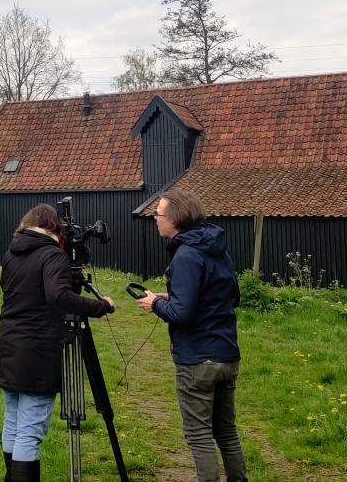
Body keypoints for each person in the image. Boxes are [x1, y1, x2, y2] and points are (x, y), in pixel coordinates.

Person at [0, 204, 114, 482]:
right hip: (37, 349)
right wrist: (100, 306)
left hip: (9, 346)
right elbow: (58, 296)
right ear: (54, 229)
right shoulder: (52, 255)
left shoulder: (11, 254)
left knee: (12, 421)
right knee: (29, 430)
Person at [136, 189, 246, 482]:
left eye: (158, 214)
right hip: (226, 353)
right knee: (226, 431)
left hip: (197, 360)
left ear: (175, 219)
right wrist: (170, 297)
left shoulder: (185, 254)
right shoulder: (215, 248)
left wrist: (156, 303)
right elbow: (226, 296)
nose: (155, 220)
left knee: (198, 434)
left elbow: (182, 314)